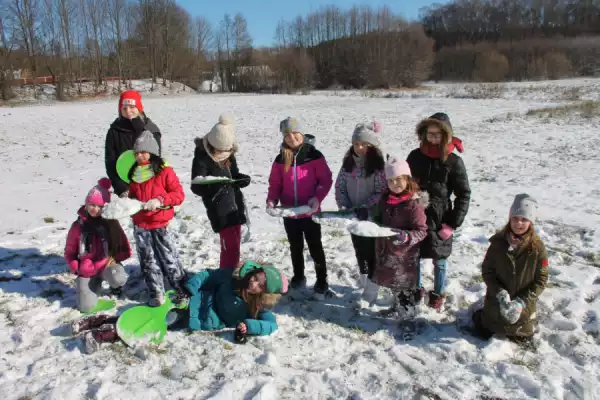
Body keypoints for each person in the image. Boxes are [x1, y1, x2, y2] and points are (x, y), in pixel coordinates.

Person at [69, 261, 288, 353]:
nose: (254, 283)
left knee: (156, 324)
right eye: (255, 277)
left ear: (265, 292)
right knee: (152, 313)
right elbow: (206, 276)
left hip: (197, 319)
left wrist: (249, 326)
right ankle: (97, 322)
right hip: (189, 300)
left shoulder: (256, 307)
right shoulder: (231, 278)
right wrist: (190, 289)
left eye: (260, 284)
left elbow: (271, 324)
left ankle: (103, 335)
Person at [406, 112, 471, 310]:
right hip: (416, 215)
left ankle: (438, 293)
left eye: (437, 134)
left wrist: (452, 224)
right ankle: (416, 290)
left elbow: (463, 194)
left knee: (440, 259)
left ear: (445, 136)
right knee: (414, 256)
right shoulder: (415, 156)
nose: (433, 138)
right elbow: (405, 184)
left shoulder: (453, 161)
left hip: (440, 218)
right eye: (429, 133)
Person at [266, 117, 333, 297]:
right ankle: (298, 276)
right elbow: (275, 184)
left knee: (315, 246)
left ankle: (321, 279)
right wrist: (272, 200)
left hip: (310, 211)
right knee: (295, 246)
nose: (291, 137)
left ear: (301, 133)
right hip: (289, 212)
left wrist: (317, 198)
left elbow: (325, 180)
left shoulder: (314, 155)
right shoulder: (281, 158)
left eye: (295, 133)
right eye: (287, 135)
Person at [471, 194, 548, 343]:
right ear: (510, 218)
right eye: (515, 218)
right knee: (483, 332)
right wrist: (499, 292)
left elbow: (541, 280)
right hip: (496, 303)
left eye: (524, 219)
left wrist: (522, 302)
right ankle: (481, 313)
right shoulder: (497, 244)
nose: (519, 223)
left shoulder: (538, 248)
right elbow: (488, 271)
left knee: (520, 338)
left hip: (524, 308)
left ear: (531, 222)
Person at [127, 131, 187, 306]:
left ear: (152, 152)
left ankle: (181, 288)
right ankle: (156, 292)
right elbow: (132, 196)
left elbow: (178, 195)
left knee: (168, 257)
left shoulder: (164, 172)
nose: (140, 156)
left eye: (143, 152)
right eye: (137, 153)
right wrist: (127, 201)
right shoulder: (134, 174)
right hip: (140, 225)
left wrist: (160, 200)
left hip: (160, 223)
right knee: (147, 260)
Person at [363, 158, 428, 311]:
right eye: (390, 180)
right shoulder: (385, 199)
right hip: (387, 251)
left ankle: (408, 316)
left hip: (405, 256)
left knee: (404, 286)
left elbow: (422, 231)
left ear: (407, 178)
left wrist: (407, 237)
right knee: (393, 283)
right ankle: (397, 306)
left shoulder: (414, 204)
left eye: (398, 179)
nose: (394, 184)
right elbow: (378, 218)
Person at [190, 115, 251, 268]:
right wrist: (215, 185)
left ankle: (232, 271)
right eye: (220, 150)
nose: (224, 153)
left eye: (227, 150)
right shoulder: (202, 158)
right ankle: (225, 275)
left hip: (235, 206)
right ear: (212, 145)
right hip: (219, 209)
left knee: (235, 246)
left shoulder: (228, 154)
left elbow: (234, 174)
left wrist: (241, 180)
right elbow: (196, 185)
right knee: (228, 247)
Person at [65, 178, 132, 313]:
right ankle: (91, 288)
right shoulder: (78, 226)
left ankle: (115, 287)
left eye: (100, 206)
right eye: (92, 205)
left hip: (107, 265)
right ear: (86, 204)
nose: (95, 209)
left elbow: (124, 246)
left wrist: (115, 258)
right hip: (87, 270)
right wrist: (76, 267)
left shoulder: (111, 224)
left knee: (118, 277)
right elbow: (69, 251)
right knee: (86, 307)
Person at [335, 121, 387, 290]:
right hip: (352, 216)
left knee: (371, 251)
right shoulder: (348, 165)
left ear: (372, 145)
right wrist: (344, 206)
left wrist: (366, 207)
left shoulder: (378, 167)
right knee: (359, 249)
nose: (359, 148)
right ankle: (364, 278)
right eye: (356, 144)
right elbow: (340, 187)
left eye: (364, 144)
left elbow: (381, 191)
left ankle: (373, 283)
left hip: (371, 217)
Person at [105, 90, 162, 198]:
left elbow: (156, 161)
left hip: (148, 186)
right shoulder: (114, 131)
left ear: (139, 108)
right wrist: (121, 188)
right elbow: (110, 162)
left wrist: (150, 187)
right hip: (124, 187)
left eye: (132, 107)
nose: (128, 111)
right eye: (124, 108)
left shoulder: (151, 130)